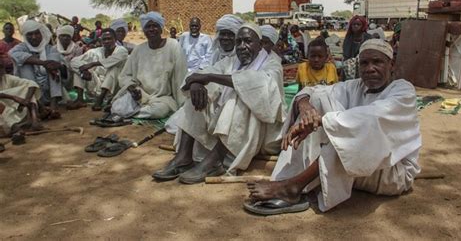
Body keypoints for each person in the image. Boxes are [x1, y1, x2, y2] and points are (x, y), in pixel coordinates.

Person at [244, 39, 421, 215]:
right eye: (364, 63)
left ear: (391, 64)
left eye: (377, 62)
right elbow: (314, 91)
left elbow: (373, 117)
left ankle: (292, 187)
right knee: (318, 101)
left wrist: (321, 121)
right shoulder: (355, 86)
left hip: (391, 173)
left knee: (352, 137)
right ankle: (290, 179)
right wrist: (307, 110)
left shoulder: (403, 90)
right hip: (358, 169)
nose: (370, 68)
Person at [153, 23, 285, 183]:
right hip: (229, 125)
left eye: (248, 41)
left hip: (263, 132)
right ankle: (183, 157)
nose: (242, 47)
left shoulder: (273, 64)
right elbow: (206, 72)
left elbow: (256, 85)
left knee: (239, 96)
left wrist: (209, 78)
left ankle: (216, 160)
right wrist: (196, 83)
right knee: (198, 94)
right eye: (239, 42)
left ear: (260, 44)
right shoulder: (232, 61)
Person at [109, 12, 187, 119]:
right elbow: (124, 76)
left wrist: (182, 105)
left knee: (159, 111)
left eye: (155, 26)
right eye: (148, 26)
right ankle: (128, 112)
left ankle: (129, 114)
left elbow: (180, 76)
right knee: (117, 107)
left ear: (161, 28)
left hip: (162, 98)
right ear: (144, 30)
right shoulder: (138, 49)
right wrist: (132, 88)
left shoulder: (173, 46)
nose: (151, 29)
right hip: (140, 95)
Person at [9, 20, 66, 119]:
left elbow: (53, 63)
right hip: (30, 94)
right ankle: (40, 107)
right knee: (25, 65)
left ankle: (53, 107)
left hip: (48, 92)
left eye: (36, 33)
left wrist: (51, 66)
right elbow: (14, 54)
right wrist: (43, 63)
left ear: (42, 33)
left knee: (54, 70)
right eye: (30, 34)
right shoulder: (21, 47)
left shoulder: (50, 48)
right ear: (25, 36)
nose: (34, 37)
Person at [69, 29, 128, 111]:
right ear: (101, 40)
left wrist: (92, 64)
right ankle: (80, 100)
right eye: (104, 39)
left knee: (114, 68)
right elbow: (74, 61)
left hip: (113, 89)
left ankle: (100, 100)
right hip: (96, 86)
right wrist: (84, 71)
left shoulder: (121, 50)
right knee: (79, 70)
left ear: (115, 39)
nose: (107, 41)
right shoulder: (96, 52)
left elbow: (112, 60)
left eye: (109, 39)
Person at [0, 56, 42, 137]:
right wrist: (13, 97)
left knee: (27, 90)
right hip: (4, 119)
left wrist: (26, 100)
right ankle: (14, 127)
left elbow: (31, 84)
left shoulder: (7, 78)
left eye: (1, 67)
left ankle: (34, 121)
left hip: (15, 113)